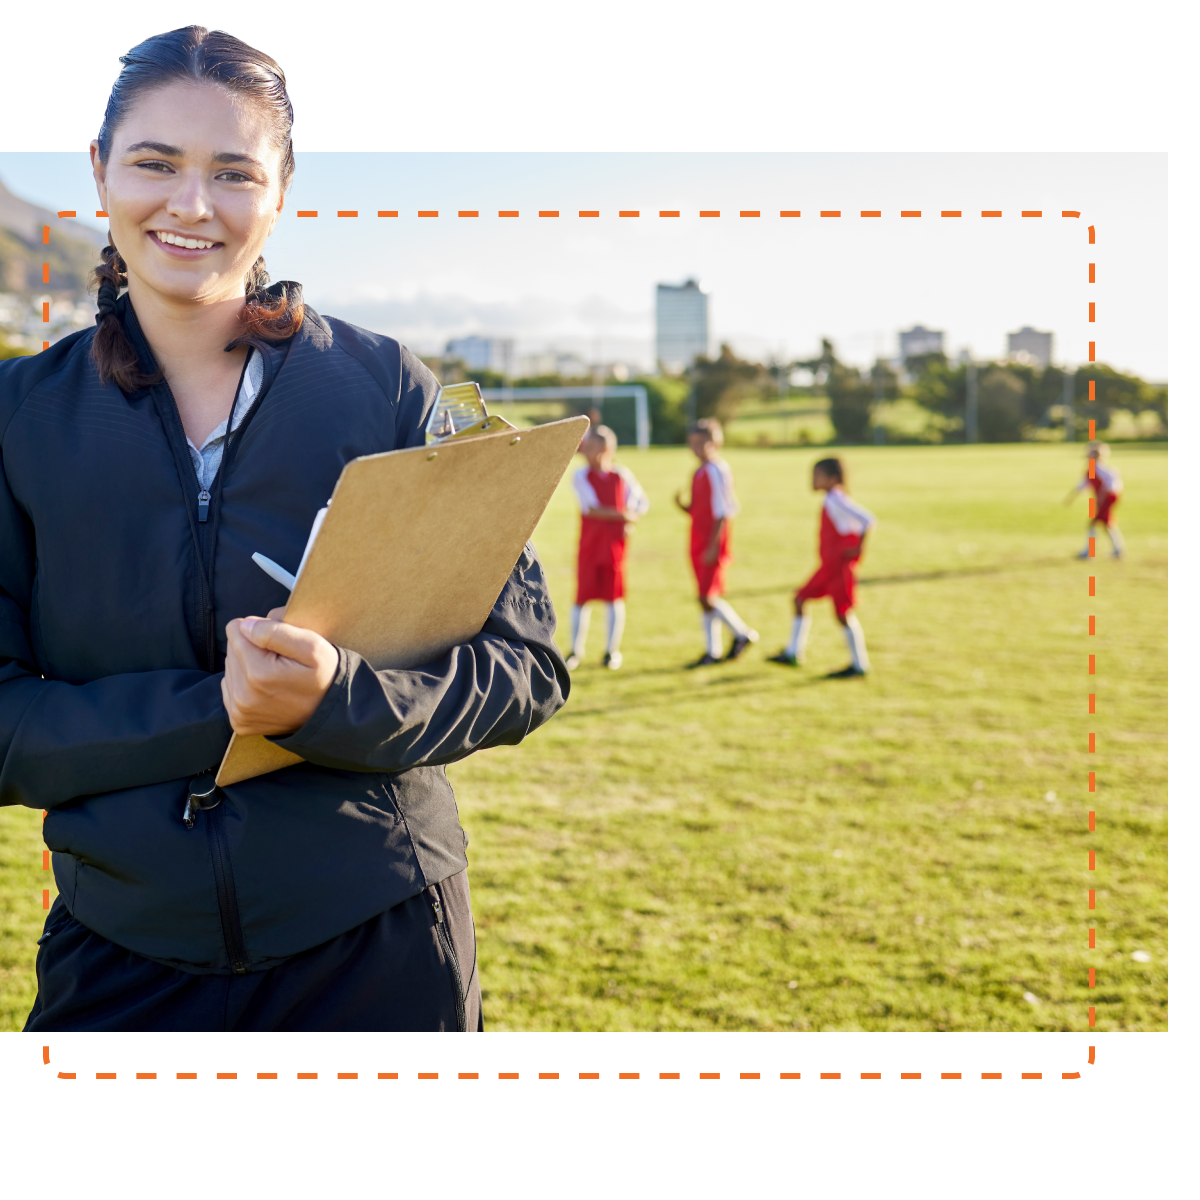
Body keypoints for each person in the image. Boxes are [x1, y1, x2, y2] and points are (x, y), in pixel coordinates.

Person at [0, 26, 569, 1033]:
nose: (191, 205)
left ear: (281, 188)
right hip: (122, 955)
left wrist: (338, 700)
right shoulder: (18, 418)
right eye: (155, 163)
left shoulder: (386, 390)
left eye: (232, 172)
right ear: (98, 172)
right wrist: (225, 709)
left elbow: (522, 667)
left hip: (378, 945)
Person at [769, 457, 875, 677]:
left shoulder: (836, 498)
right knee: (799, 599)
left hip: (838, 569)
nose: (813, 480)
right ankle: (793, 652)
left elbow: (867, 519)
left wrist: (858, 548)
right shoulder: (831, 498)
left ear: (833, 478)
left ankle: (859, 664)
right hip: (827, 567)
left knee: (842, 614)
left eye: (817, 475)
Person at [673, 418, 758, 667]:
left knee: (706, 596)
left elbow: (724, 510)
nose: (696, 448)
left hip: (712, 542)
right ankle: (713, 651)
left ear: (715, 442)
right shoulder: (699, 470)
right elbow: (703, 510)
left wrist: (713, 546)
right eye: (692, 443)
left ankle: (742, 634)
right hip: (698, 539)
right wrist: (685, 507)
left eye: (701, 443)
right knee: (703, 596)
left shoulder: (717, 470)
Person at [566, 424, 650, 671]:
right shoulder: (580, 475)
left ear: (605, 449)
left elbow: (641, 503)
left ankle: (611, 651)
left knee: (614, 598)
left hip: (615, 548)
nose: (584, 451)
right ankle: (575, 651)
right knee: (582, 598)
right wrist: (626, 517)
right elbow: (591, 509)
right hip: (590, 546)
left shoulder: (622, 475)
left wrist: (629, 518)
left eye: (590, 446)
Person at [1066, 441, 1125, 559]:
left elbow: (1111, 486)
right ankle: (1118, 550)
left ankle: (1089, 552)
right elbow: (1082, 485)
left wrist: (1102, 499)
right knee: (1108, 524)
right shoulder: (1092, 469)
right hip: (1103, 499)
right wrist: (1071, 497)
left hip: (1107, 498)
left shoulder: (1103, 469)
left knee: (1094, 524)